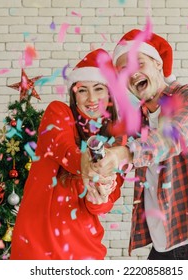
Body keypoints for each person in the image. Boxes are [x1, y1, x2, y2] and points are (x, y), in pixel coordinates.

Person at [81, 29, 188, 260]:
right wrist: (95, 167)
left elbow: (171, 137)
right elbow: (111, 154)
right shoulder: (137, 122)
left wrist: (123, 154)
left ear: (157, 63)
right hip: (163, 247)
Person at [11, 49, 124, 260]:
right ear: (74, 94)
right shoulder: (58, 112)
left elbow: (104, 204)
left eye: (99, 89)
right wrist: (91, 167)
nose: (91, 98)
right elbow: (64, 149)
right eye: (83, 90)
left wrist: (99, 197)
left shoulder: (117, 142)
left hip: (84, 249)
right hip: (37, 245)